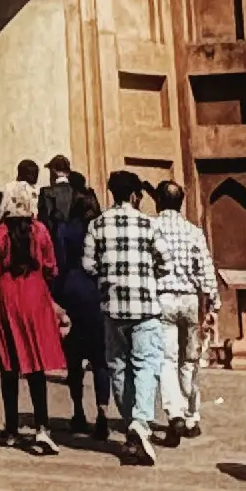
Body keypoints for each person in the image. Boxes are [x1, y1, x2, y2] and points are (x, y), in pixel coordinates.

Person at [90, 168, 173, 464]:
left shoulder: (97, 225)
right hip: (145, 306)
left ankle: (131, 426)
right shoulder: (147, 224)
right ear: (136, 195)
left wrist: (109, 276)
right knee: (147, 362)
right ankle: (141, 421)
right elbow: (165, 261)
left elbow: (88, 265)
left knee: (118, 366)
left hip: (112, 306)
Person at [0, 182, 65, 455]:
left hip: (8, 295)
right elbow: (52, 266)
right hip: (35, 294)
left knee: (9, 364)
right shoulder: (39, 231)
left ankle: (11, 428)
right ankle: (42, 426)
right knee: (35, 363)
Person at [151, 179, 220, 442]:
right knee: (189, 360)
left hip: (164, 299)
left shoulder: (152, 227)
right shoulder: (193, 231)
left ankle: (175, 414)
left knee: (167, 359)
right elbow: (206, 269)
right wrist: (213, 304)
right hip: (191, 298)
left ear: (158, 201)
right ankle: (192, 416)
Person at [51, 173, 109, 440]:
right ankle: (103, 413)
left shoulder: (65, 230)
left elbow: (59, 265)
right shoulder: (101, 229)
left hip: (72, 290)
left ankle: (78, 411)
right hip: (98, 292)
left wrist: (57, 299)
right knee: (100, 359)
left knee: (74, 359)